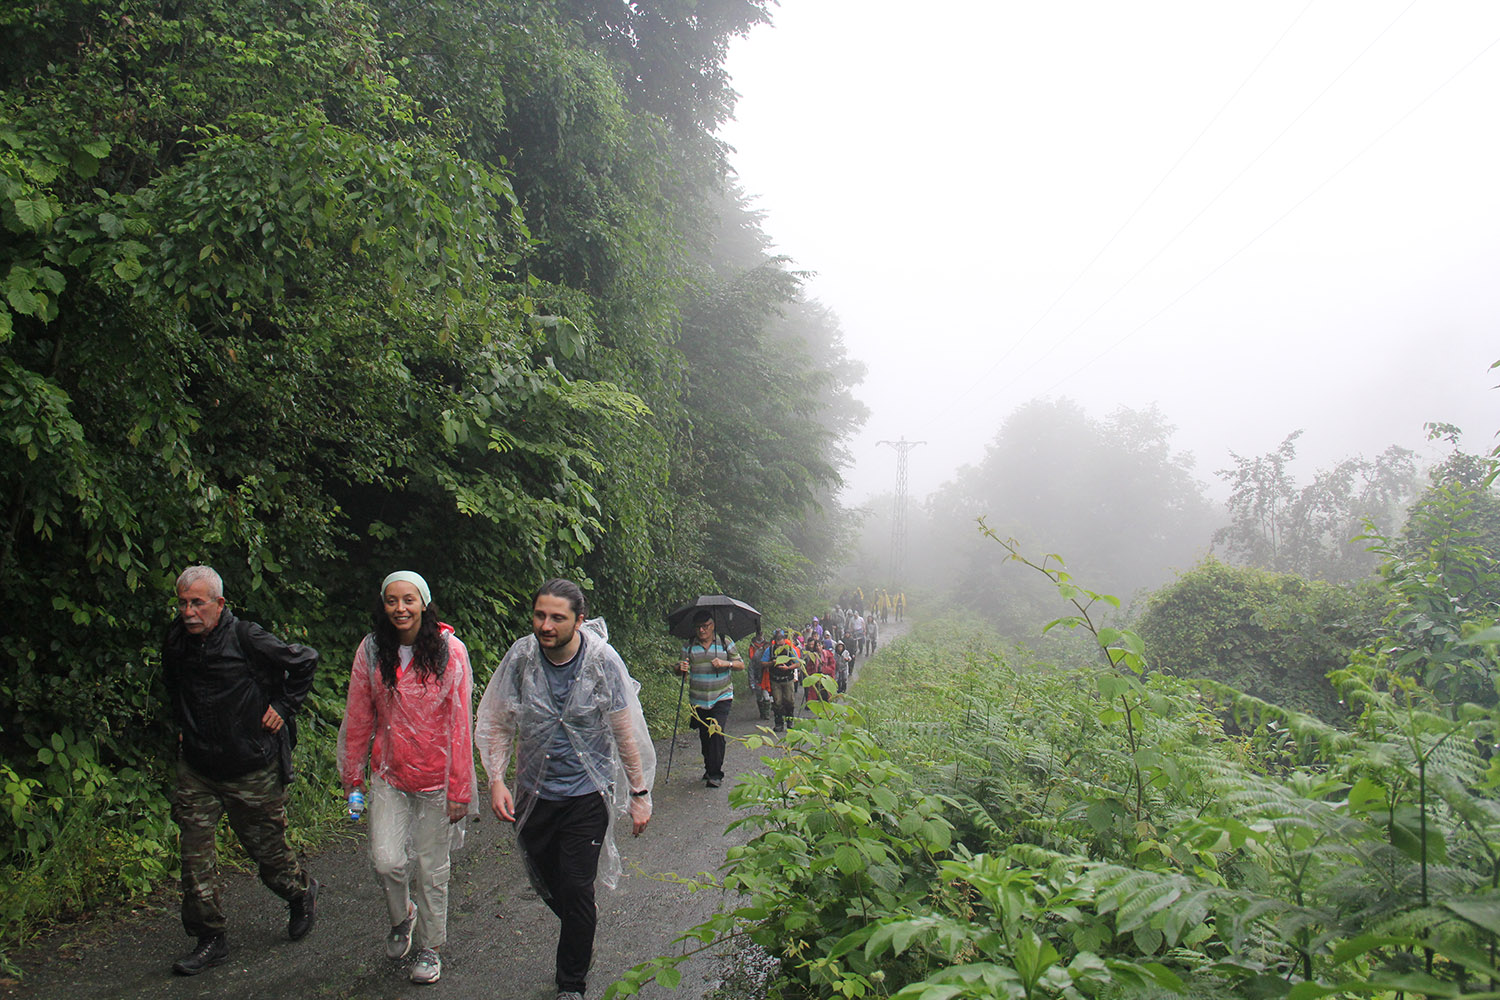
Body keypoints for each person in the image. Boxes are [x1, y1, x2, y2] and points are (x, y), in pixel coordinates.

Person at [476, 579, 655, 1000]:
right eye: (540, 615)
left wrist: (640, 793)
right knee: (546, 877)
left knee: (576, 886)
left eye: (558, 617)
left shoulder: (599, 661)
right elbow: (498, 719)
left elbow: (624, 732)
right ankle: (581, 927)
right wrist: (497, 778)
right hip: (534, 791)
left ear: (578, 620)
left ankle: (570, 983)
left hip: (585, 793)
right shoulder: (521, 657)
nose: (546, 624)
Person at [162, 565, 320, 976]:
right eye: (182, 602)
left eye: (197, 603)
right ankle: (209, 937)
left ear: (219, 604)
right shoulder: (177, 640)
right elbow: (174, 686)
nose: (188, 612)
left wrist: (283, 708)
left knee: (268, 855)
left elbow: (304, 661)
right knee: (194, 854)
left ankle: (301, 893)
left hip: (251, 765)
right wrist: (182, 728)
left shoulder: (246, 636)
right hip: (198, 766)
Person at [338, 571, 476, 985]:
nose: (401, 608)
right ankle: (403, 917)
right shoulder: (372, 650)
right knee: (387, 861)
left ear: (424, 603)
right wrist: (353, 777)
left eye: (409, 600)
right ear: (384, 605)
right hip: (389, 775)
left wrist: (459, 789)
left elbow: (459, 725)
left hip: (437, 779)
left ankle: (431, 948)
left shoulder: (451, 652)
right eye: (392, 600)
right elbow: (359, 715)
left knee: (432, 869)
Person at [676, 610, 744, 788]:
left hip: (722, 695)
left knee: (717, 733)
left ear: (712, 625)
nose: (702, 630)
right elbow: (682, 673)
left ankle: (716, 774)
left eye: (705, 626)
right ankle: (709, 767)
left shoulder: (724, 642)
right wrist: (680, 668)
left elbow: (740, 665)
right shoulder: (689, 646)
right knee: (705, 736)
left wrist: (725, 663)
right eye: (698, 627)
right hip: (698, 699)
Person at [766, 629, 802, 733]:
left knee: (789, 701)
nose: (779, 642)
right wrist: (771, 663)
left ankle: (790, 722)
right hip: (775, 679)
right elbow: (762, 663)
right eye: (777, 640)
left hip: (787, 679)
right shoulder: (770, 650)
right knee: (777, 701)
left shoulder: (790, 650)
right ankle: (779, 723)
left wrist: (788, 668)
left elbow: (798, 663)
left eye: (781, 640)